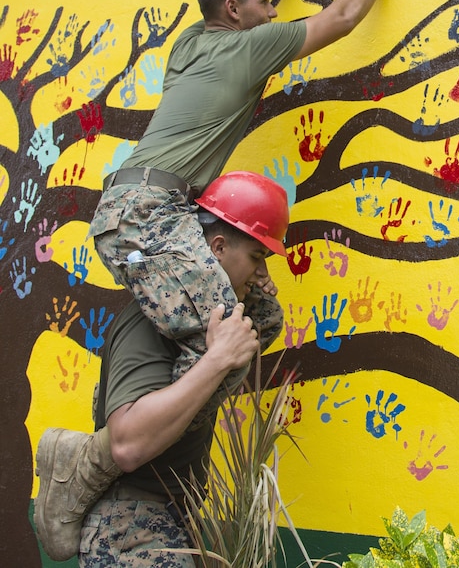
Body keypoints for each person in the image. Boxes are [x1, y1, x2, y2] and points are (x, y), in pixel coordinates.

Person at [33, 0, 412, 559]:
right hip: (147, 213)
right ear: (235, 12)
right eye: (267, 3)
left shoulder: (192, 42)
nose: (275, 8)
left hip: (141, 207)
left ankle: (162, 453)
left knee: (256, 315)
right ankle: (91, 462)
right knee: (215, 334)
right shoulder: (248, 44)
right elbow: (342, 19)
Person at [35, 171, 290, 565]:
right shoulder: (150, 321)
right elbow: (127, 443)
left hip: (168, 520)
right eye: (257, 258)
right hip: (130, 526)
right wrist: (217, 360)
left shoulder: (203, 321)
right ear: (218, 247)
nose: (263, 274)